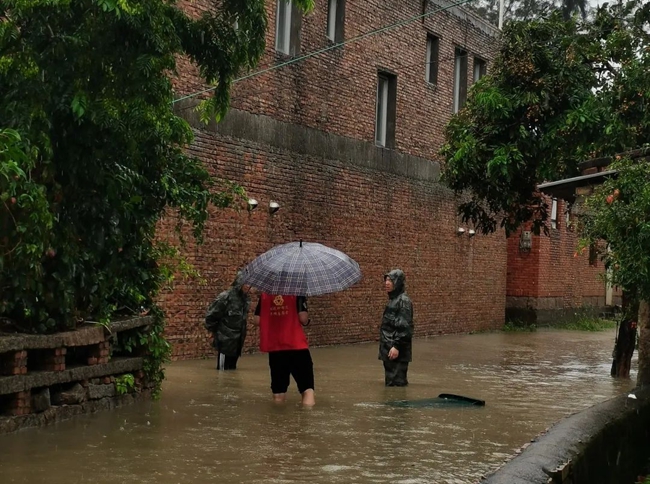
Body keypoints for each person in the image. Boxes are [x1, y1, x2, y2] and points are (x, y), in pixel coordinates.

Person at [254, 293, 315, 406]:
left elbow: (257, 320)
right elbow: (303, 318)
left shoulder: (265, 295)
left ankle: (277, 419)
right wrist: (307, 321)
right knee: (307, 389)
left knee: (278, 393)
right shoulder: (296, 292)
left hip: (275, 348)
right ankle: (308, 418)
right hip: (296, 346)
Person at [204, 270, 251, 370]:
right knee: (222, 373)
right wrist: (212, 334)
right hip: (225, 342)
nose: (248, 286)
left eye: (250, 283)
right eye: (245, 283)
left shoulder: (245, 300)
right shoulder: (225, 297)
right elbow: (211, 317)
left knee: (232, 371)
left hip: (237, 343)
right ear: (239, 283)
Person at [379, 269, 414, 386]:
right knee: (391, 383)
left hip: (396, 352)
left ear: (398, 282)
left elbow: (405, 327)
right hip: (389, 350)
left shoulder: (403, 301)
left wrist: (396, 346)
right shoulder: (393, 300)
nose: (387, 283)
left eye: (391, 280)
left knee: (396, 384)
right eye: (386, 280)